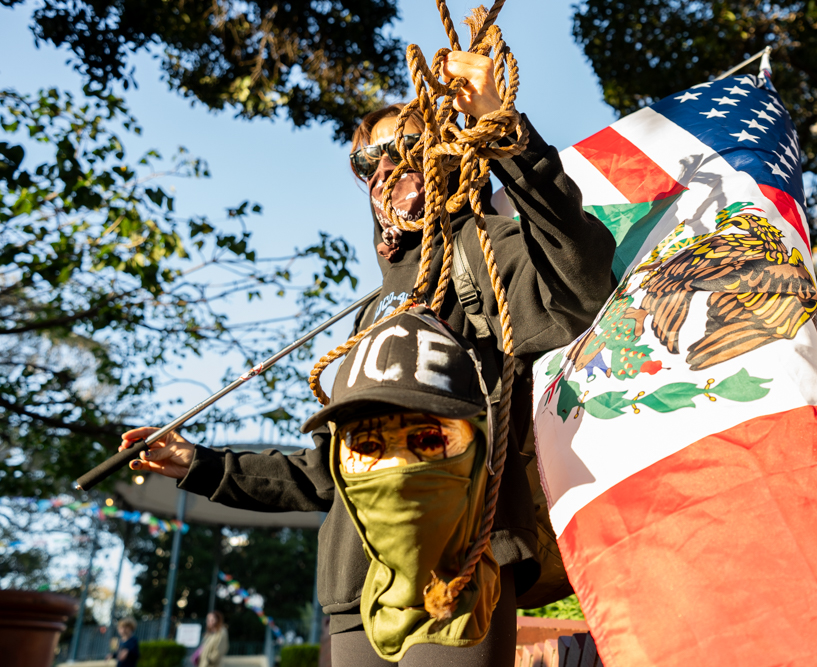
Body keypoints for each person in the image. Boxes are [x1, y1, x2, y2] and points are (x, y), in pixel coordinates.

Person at [121, 50, 616, 666]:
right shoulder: (372, 313)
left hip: (460, 573)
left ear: (448, 154)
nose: (385, 168)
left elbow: (582, 283)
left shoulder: (487, 255)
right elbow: (331, 474)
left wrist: (505, 131)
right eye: (366, 160)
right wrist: (198, 463)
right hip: (353, 592)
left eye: (406, 146)